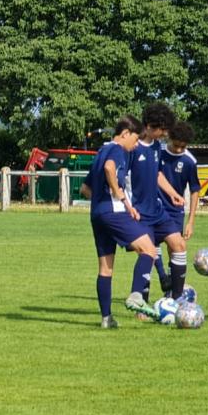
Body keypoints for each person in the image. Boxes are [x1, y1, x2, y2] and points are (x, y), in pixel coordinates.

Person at [79, 115, 161, 328]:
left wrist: (105, 203)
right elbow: (109, 168)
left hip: (97, 214)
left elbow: (85, 189)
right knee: (149, 250)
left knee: (105, 269)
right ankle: (136, 295)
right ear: (125, 134)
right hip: (113, 213)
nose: (135, 146)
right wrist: (120, 197)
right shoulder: (117, 150)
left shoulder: (100, 151)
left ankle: (107, 319)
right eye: (134, 140)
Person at [125, 103, 186, 305]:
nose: (165, 134)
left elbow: (158, 174)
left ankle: (177, 301)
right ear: (151, 125)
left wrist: (173, 193)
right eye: (163, 129)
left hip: (157, 210)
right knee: (148, 254)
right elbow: (121, 179)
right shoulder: (131, 148)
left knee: (178, 244)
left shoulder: (156, 147)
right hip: (139, 212)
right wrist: (126, 206)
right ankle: (141, 304)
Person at [158, 121, 201, 282]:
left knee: (174, 248)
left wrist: (191, 221)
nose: (178, 150)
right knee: (150, 245)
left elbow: (195, 190)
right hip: (154, 207)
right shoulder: (158, 152)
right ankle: (159, 278)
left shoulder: (190, 161)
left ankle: (171, 285)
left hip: (175, 210)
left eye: (182, 147)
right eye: (176, 145)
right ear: (169, 138)